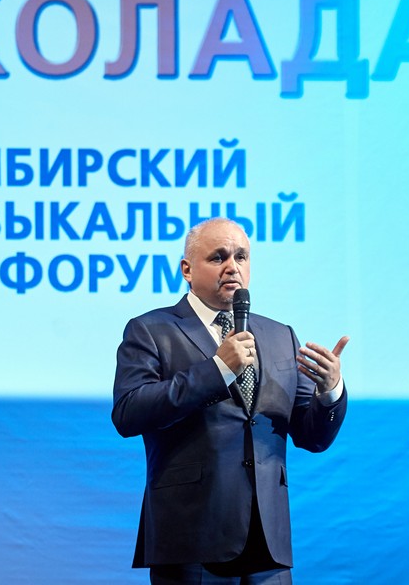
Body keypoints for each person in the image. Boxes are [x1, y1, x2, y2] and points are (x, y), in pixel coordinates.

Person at [112, 217, 349, 584]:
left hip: (267, 542)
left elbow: (312, 436)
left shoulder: (280, 335)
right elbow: (129, 412)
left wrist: (330, 391)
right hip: (192, 539)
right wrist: (218, 369)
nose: (232, 266)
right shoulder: (151, 330)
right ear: (187, 270)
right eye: (218, 257)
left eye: (241, 256)